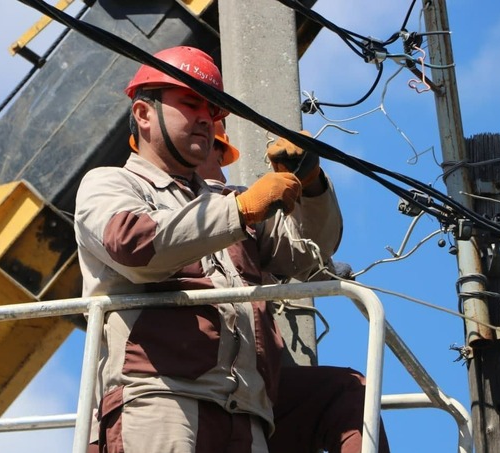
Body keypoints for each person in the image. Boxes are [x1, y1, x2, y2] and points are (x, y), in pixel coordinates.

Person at [75, 46, 389, 453]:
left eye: (213, 112)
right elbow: (134, 245)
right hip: (160, 398)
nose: (206, 119)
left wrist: (311, 186)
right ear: (143, 114)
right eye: (190, 104)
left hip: (245, 414)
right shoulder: (111, 185)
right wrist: (240, 210)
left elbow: (311, 256)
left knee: (348, 390)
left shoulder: (228, 200)